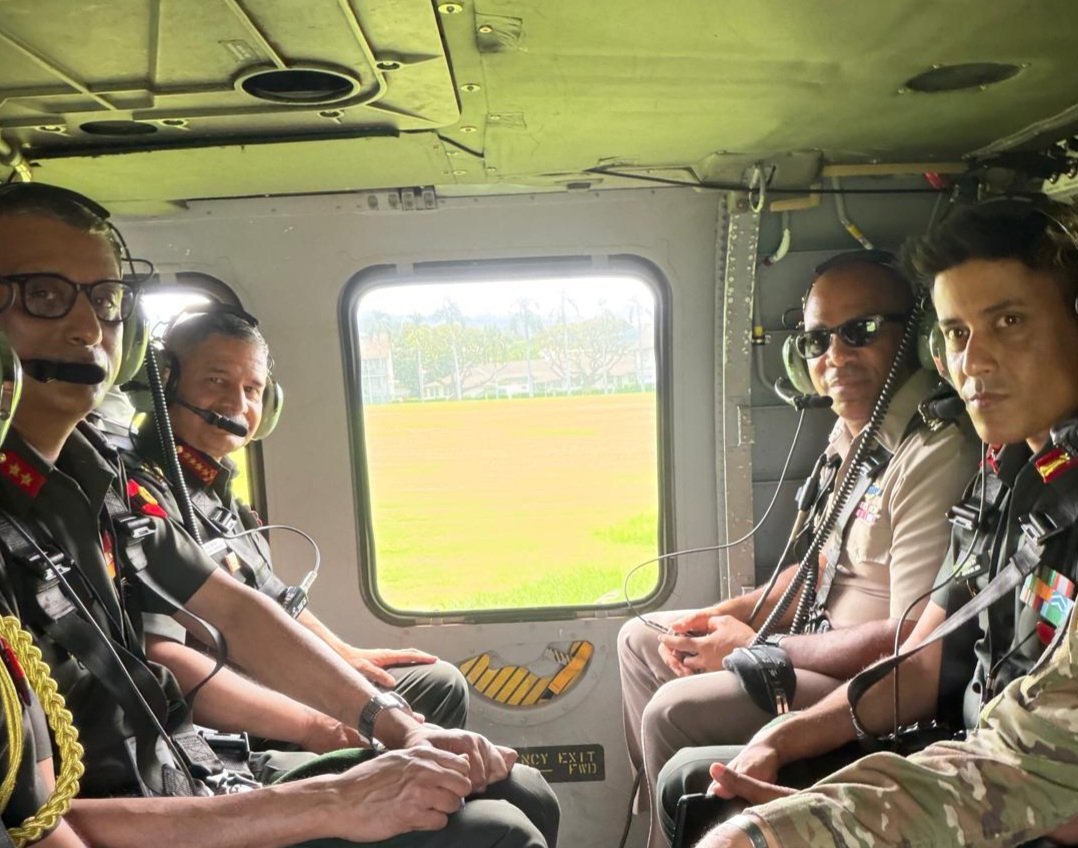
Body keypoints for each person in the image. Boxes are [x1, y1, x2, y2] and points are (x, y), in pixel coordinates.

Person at [0, 181, 558, 848]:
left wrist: (399, 725)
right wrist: (331, 797)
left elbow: (235, 608)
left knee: (511, 788)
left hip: (190, 778)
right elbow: (35, 830)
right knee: (493, 833)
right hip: (134, 824)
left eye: (106, 300)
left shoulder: (105, 473)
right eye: (42, 294)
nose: (88, 328)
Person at [690, 197, 1078, 847]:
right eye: (956, 333)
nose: (973, 364)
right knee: (705, 795)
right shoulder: (1010, 476)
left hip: (1021, 799)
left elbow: (1034, 776)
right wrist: (780, 740)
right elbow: (922, 664)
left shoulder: (953, 455)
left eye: (1008, 321)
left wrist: (844, 809)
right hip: (987, 773)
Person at [617, 251, 980, 846]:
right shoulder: (850, 437)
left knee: (671, 711)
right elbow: (818, 567)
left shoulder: (935, 453)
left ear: (913, 338)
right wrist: (730, 615)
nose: (834, 357)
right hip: (808, 647)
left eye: (859, 332)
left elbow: (909, 643)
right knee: (641, 641)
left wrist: (760, 646)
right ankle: (671, 828)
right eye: (815, 341)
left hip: (873, 684)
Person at [118, 307, 467, 747]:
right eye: (216, 381)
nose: (236, 405)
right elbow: (165, 658)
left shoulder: (215, 490)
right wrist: (318, 721)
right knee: (435, 694)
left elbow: (279, 603)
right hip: (228, 714)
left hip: (270, 678)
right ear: (162, 382)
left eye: (252, 389)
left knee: (438, 680)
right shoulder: (142, 492)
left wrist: (345, 655)